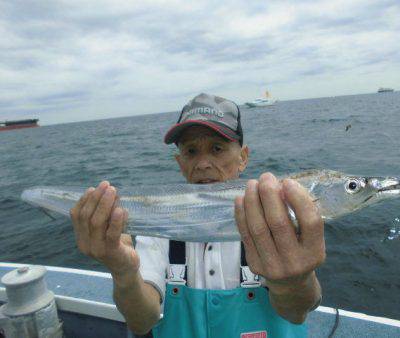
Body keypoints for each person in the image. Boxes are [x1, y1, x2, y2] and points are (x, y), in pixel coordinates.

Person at [70, 93, 325, 337]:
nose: (203, 163)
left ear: (243, 158)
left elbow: (297, 312)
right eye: (191, 151)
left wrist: (294, 281)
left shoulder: (275, 217)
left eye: (217, 148)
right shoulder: (160, 226)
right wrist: (123, 271)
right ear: (180, 163)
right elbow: (141, 321)